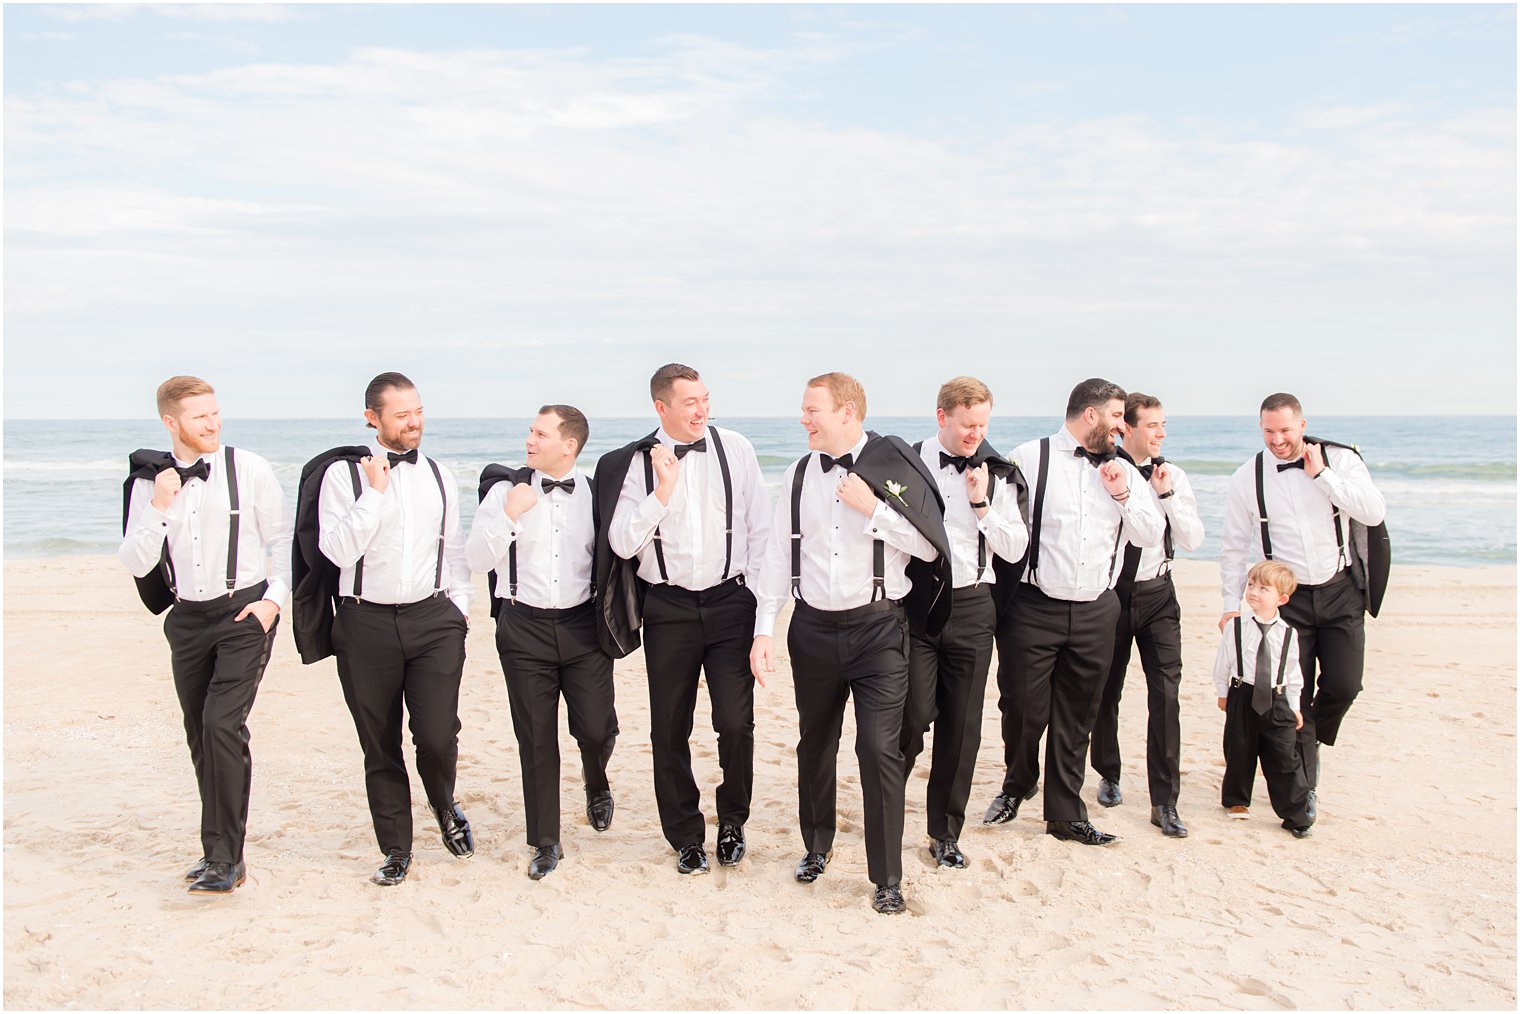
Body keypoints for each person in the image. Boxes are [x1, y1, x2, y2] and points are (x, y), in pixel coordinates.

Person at [750, 372, 948, 915]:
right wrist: (764, 628)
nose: (803, 419)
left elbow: (931, 549)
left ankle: (887, 878)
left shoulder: (893, 465)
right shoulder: (795, 476)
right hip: (811, 631)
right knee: (814, 744)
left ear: (848, 412)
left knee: (878, 749)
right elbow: (776, 557)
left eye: (812, 409)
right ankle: (817, 847)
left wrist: (875, 509)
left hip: (879, 631)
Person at [119, 376, 292, 894]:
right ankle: (215, 849)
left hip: (245, 614)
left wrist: (272, 602)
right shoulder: (151, 483)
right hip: (187, 621)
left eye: (215, 413)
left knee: (221, 724)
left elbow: (283, 538)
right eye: (199, 417)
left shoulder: (251, 469)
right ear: (171, 423)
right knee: (200, 735)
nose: (213, 423)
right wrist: (159, 507)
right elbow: (134, 559)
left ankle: (225, 859)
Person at [599, 364, 771, 875]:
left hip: (731, 603)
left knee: (736, 723)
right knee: (668, 728)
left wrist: (763, 618)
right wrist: (661, 493)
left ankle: (733, 821)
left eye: (705, 399)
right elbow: (621, 543)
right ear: (661, 408)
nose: (702, 410)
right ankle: (686, 837)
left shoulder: (735, 448)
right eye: (690, 402)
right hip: (668, 608)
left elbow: (761, 531)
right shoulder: (634, 463)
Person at [983, 378, 1164, 846]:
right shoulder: (1028, 457)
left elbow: (1149, 534)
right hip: (1033, 607)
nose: (1123, 428)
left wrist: (1124, 494)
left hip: (1097, 609)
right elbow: (1001, 528)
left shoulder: (1124, 467)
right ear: (1091, 415)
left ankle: (1065, 812)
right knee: (1021, 707)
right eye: (1118, 417)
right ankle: (1017, 784)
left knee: (1078, 713)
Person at [315, 372, 474, 886]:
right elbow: (336, 551)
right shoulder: (342, 477)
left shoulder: (440, 475)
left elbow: (452, 549)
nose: (415, 423)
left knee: (436, 734)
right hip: (365, 621)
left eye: (419, 411)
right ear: (372, 418)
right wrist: (375, 494)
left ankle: (444, 804)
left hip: (434, 620)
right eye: (403, 414)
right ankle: (396, 848)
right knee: (379, 742)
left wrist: (461, 608)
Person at [467, 405, 618, 880]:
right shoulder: (503, 491)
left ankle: (596, 780)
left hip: (582, 628)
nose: (529, 439)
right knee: (535, 739)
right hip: (523, 628)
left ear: (569, 445)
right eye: (530, 431)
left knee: (594, 729)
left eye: (540, 433)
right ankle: (546, 840)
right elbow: (475, 558)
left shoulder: (596, 494)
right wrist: (509, 515)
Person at [1219, 393, 1387, 818]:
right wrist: (1229, 603)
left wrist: (1324, 476)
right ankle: (1304, 789)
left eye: (1285, 430)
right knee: (1294, 697)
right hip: (1286, 601)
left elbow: (1373, 510)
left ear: (1302, 425)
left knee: (1345, 685)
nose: (1277, 440)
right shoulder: (1248, 477)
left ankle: (1311, 739)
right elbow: (1235, 545)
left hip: (1340, 589)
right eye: (1268, 431)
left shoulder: (1341, 460)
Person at [904, 377, 1028, 868]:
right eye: (967, 424)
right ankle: (892, 791)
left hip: (975, 606)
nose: (976, 434)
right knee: (910, 715)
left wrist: (982, 506)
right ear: (942, 417)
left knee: (963, 727)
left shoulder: (999, 473)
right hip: (916, 605)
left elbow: (1016, 548)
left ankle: (944, 833)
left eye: (982, 424)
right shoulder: (908, 460)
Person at [1089, 392, 1204, 837]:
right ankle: (1109, 773)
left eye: (1163, 425)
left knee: (1166, 697)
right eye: (1152, 425)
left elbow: (1193, 538)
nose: (1161, 433)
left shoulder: (1171, 474)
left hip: (1159, 595)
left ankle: (1164, 802)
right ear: (1128, 429)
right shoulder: (1105, 471)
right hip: (1113, 594)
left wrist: (1167, 494)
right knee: (1105, 691)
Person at [1212, 561, 1313, 838]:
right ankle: (1236, 799)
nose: (1254, 592)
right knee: (1239, 749)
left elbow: (1293, 672)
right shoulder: (1235, 627)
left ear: (1281, 598)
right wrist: (1223, 693)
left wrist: (1294, 705)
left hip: (1277, 698)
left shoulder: (1288, 633)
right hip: (1242, 694)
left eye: (1263, 588)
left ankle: (1296, 814)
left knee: (1284, 756)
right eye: (1252, 586)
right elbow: (1224, 662)